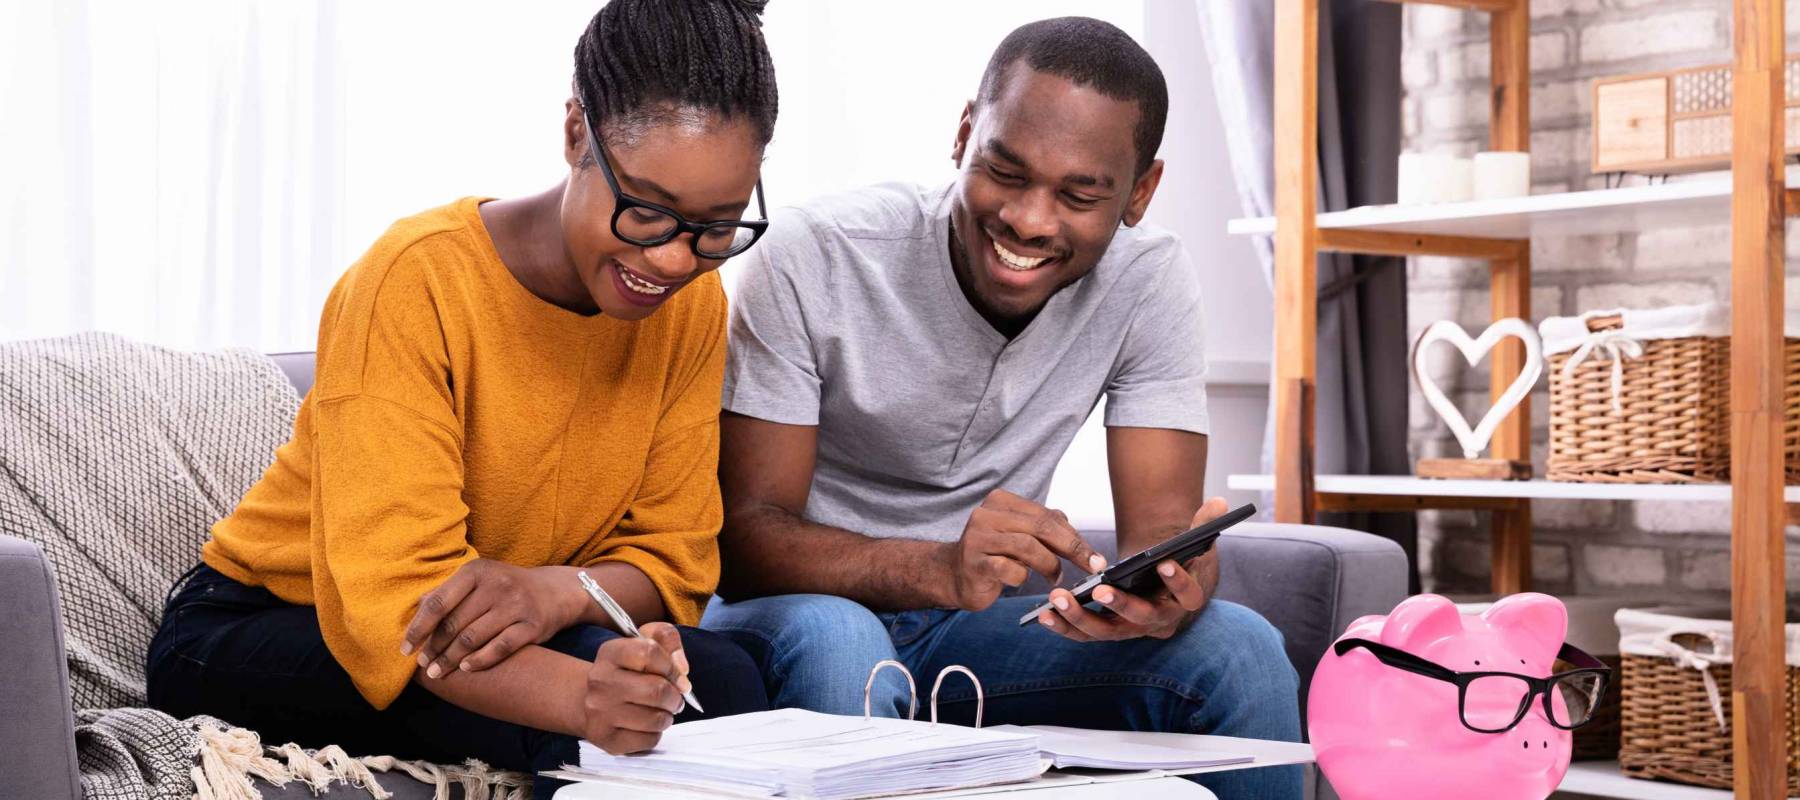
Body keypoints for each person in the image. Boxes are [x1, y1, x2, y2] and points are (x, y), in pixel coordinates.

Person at [146, 1, 777, 795]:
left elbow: (678, 562)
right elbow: (398, 611)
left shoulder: (690, 308)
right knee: (638, 714)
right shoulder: (416, 281)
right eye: (647, 210)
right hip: (261, 629)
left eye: (716, 228)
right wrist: (587, 698)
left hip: (497, 624)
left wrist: (552, 593)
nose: (676, 259)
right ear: (577, 132)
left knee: (726, 677)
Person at [703, 16, 1302, 799]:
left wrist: (1164, 597)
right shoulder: (816, 254)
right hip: (796, 617)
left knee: (1241, 650)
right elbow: (745, 539)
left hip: (977, 635)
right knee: (843, 640)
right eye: (1006, 172)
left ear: (1140, 193)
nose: (1027, 219)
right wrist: (940, 567)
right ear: (963, 134)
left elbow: (1159, 536)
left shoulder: (1148, 283)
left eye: (1079, 194)